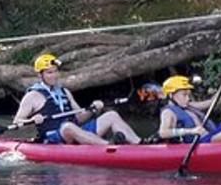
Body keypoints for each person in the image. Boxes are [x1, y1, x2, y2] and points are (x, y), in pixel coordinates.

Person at [12, 53, 143, 145]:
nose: (54, 76)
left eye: (56, 71)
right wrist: (32, 120)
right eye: (49, 72)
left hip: (76, 131)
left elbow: (79, 117)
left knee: (112, 115)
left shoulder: (65, 92)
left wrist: (92, 109)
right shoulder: (32, 96)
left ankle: (140, 143)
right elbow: (17, 122)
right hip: (54, 137)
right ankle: (109, 145)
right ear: (40, 75)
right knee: (67, 126)